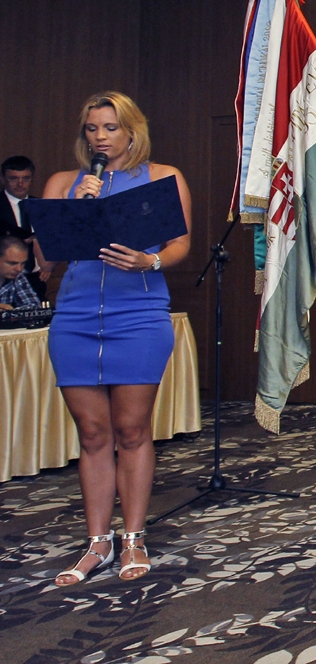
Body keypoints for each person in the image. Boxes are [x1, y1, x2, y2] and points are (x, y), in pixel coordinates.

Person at [42, 92, 192, 585]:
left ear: (132, 131)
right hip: (75, 317)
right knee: (92, 434)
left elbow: (180, 245)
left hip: (139, 316)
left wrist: (150, 260)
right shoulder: (63, 183)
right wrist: (73, 207)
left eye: (110, 127)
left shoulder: (162, 177)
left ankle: (133, 538)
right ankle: (97, 543)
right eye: (92, 129)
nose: (100, 137)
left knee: (131, 430)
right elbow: (45, 261)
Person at [1, 155, 43, 299]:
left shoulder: (41, 206)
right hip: (5, 280)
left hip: (37, 276)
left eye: (26, 178)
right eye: (13, 178)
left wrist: (48, 264)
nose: (20, 184)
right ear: (3, 179)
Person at [0, 236, 40, 310]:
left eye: (23, 263)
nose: (19, 269)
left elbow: (33, 306)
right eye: (12, 263)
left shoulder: (18, 277)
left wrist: (10, 313)